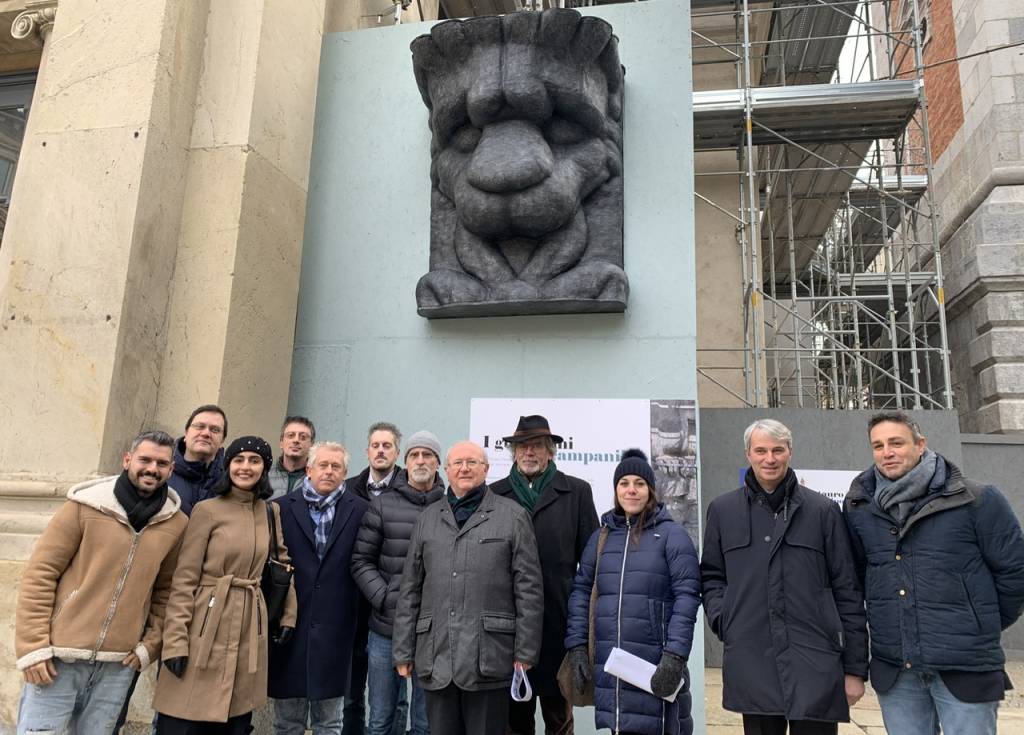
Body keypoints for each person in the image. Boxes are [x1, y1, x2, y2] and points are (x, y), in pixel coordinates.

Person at [844, 411, 1024, 735]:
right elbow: (856, 579)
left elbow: (1016, 574)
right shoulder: (860, 507)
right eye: (878, 445)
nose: (887, 452)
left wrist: (981, 623)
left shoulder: (977, 499)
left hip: (965, 668)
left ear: (920, 444)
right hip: (896, 669)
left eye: (897, 442)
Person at [15, 430, 188, 735]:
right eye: (144, 459)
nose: (152, 468)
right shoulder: (85, 506)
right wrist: (33, 647)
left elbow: (167, 591)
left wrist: (149, 646)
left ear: (171, 470)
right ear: (127, 460)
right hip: (58, 658)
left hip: (118, 666)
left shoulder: (175, 523)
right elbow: (41, 574)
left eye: (162, 463)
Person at [700, 419, 868, 735]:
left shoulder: (822, 511)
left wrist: (855, 669)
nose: (770, 458)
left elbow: (847, 589)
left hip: (814, 661)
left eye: (778, 450)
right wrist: (725, 619)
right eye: (761, 450)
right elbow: (711, 576)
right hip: (752, 657)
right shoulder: (723, 510)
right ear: (748, 454)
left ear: (790, 452)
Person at [392, 441, 544, 735]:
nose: (464, 468)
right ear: (446, 471)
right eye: (457, 463)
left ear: (485, 469)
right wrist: (403, 651)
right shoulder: (428, 519)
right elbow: (410, 588)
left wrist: (525, 652)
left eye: (472, 462)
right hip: (437, 657)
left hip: (489, 657)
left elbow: (529, 590)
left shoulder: (512, 516)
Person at [153, 436, 297, 735]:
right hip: (204, 625)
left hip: (247, 628)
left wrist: (288, 615)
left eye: (254, 461)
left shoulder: (270, 512)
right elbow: (184, 578)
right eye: (238, 460)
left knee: (234, 719)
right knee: (184, 719)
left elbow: (281, 563)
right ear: (228, 465)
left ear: (265, 468)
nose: (246, 467)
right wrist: (176, 641)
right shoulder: (207, 510)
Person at [564, 449, 700, 735]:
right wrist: (576, 646)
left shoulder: (672, 536)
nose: (631, 490)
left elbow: (687, 598)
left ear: (650, 490)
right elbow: (581, 591)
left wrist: (675, 657)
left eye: (639, 483)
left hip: (655, 665)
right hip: (612, 673)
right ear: (616, 490)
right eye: (624, 483)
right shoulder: (601, 538)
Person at [490, 415, 599, 735]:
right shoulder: (495, 494)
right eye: (522, 446)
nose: (528, 453)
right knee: (514, 717)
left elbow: (590, 563)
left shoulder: (577, 492)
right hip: (509, 622)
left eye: (536, 446)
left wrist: (584, 625)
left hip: (559, 619)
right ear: (513, 453)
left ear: (550, 452)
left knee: (559, 716)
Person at [270, 441, 369, 735]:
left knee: (330, 722)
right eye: (323, 465)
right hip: (289, 627)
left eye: (335, 466)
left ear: (345, 472)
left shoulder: (362, 510)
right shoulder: (280, 508)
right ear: (309, 469)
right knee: (287, 722)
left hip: (336, 630)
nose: (329, 471)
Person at [351, 431, 446, 735]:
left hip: (433, 630)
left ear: (438, 462)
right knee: (380, 718)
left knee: (425, 721)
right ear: (405, 462)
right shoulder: (382, 505)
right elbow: (361, 560)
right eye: (414, 455)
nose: (421, 460)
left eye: (427, 455)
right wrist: (385, 597)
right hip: (385, 629)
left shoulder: (449, 507)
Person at [170, 404, 228, 515]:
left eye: (215, 430)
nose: (206, 433)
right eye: (199, 426)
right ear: (186, 433)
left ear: (222, 440)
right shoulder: (161, 471)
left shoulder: (229, 483)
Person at [349, 422, 404, 500]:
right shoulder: (347, 489)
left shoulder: (409, 489)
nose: (380, 450)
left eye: (386, 446)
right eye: (375, 446)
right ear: (368, 453)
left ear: (397, 454)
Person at [269, 416, 316, 499]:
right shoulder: (264, 474)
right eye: (290, 435)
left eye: (303, 437)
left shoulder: (317, 477)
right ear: (281, 442)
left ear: (311, 444)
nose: (296, 440)